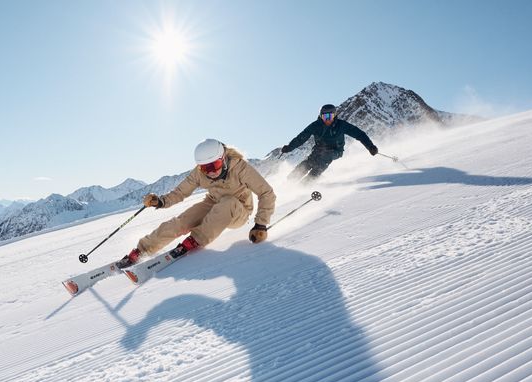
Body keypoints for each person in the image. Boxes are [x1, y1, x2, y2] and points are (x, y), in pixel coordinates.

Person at [116, 139, 276, 268]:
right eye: (205, 168)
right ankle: (142, 250)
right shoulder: (199, 173)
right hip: (213, 203)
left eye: (215, 165)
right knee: (182, 221)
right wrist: (160, 201)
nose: (211, 171)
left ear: (223, 159)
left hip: (238, 209)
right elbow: (180, 192)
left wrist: (260, 224)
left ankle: (195, 240)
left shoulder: (240, 168)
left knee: (228, 202)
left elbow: (266, 193)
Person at [280, 104, 379, 183]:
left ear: (334, 116)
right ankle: (290, 181)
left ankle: (306, 183)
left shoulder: (341, 125)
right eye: (325, 116)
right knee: (309, 162)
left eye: (330, 116)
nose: (328, 119)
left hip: (335, 151)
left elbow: (359, 134)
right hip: (319, 150)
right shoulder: (315, 125)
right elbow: (301, 138)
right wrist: (289, 147)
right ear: (321, 116)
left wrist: (370, 146)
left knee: (324, 159)